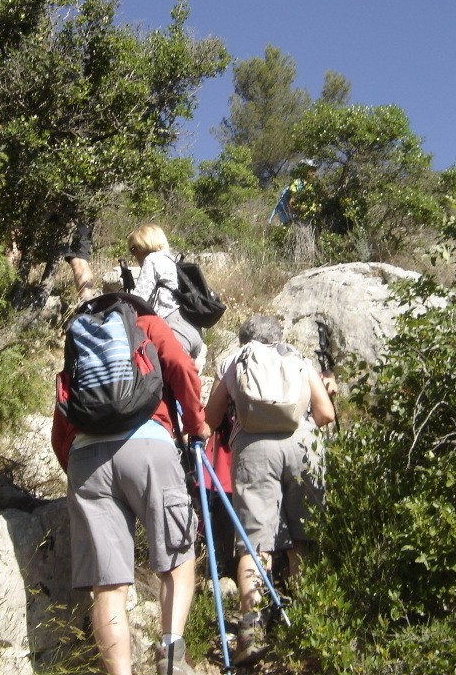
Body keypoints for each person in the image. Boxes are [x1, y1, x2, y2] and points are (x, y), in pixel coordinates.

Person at [51, 296, 211, 675]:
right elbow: (182, 368)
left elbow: (63, 410)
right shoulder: (148, 324)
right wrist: (195, 424)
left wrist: (75, 466)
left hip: (87, 458)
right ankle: (171, 655)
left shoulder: (83, 338)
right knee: (176, 560)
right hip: (148, 447)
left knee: (107, 585)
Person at [203, 315, 335, 665]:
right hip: (303, 447)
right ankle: (306, 622)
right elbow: (325, 413)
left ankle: (251, 630)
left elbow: (210, 418)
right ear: (279, 336)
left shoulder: (236, 360)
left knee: (254, 542)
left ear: (244, 339)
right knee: (302, 539)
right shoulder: (298, 359)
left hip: (254, 449)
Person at [126, 224, 206, 371]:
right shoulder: (171, 260)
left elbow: (138, 299)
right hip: (193, 330)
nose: (134, 254)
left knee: (161, 380)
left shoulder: (152, 259)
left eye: (134, 249)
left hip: (173, 328)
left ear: (144, 245)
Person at [267, 159, 320, 225]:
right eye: (311, 170)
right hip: (290, 219)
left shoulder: (310, 186)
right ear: (305, 171)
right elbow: (291, 204)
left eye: (315, 170)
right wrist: (303, 211)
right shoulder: (298, 183)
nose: (314, 173)